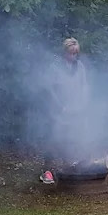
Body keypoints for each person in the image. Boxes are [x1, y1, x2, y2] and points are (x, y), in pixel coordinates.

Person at [41, 38, 90, 184]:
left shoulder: (79, 66)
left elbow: (84, 86)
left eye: (75, 53)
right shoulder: (55, 67)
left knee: (71, 137)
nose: (73, 56)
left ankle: (69, 167)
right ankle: (47, 171)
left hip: (74, 108)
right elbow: (49, 89)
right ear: (65, 52)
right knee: (54, 138)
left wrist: (82, 103)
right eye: (70, 53)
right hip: (56, 108)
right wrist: (60, 106)